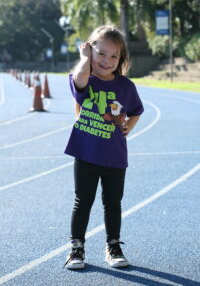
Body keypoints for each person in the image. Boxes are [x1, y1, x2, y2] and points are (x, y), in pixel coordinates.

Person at [64, 25, 144, 270]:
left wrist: (129, 126)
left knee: (113, 203)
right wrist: (85, 59)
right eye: (101, 54)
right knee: (83, 201)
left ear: (121, 59)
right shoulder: (86, 80)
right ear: (90, 51)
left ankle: (113, 246)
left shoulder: (126, 86)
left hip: (115, 156)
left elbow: (137, 111)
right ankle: (76, 249)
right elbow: (78, 80)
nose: (107, 60)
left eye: (114, 56)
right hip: (86, 154)